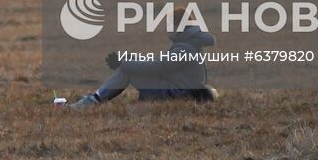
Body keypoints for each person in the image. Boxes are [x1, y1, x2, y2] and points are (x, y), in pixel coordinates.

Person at [67, 24, 219, 108]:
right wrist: (129, 58)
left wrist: (123, 63)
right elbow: (159, 63)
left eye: (169, 26)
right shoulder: (189, 45)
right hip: (181, 91)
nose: (166, 30)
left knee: (128, 72)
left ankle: (94, 100)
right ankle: (96, 98)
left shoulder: (185, 49)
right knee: (128, 67)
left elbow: (156, 67)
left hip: (178, 94)